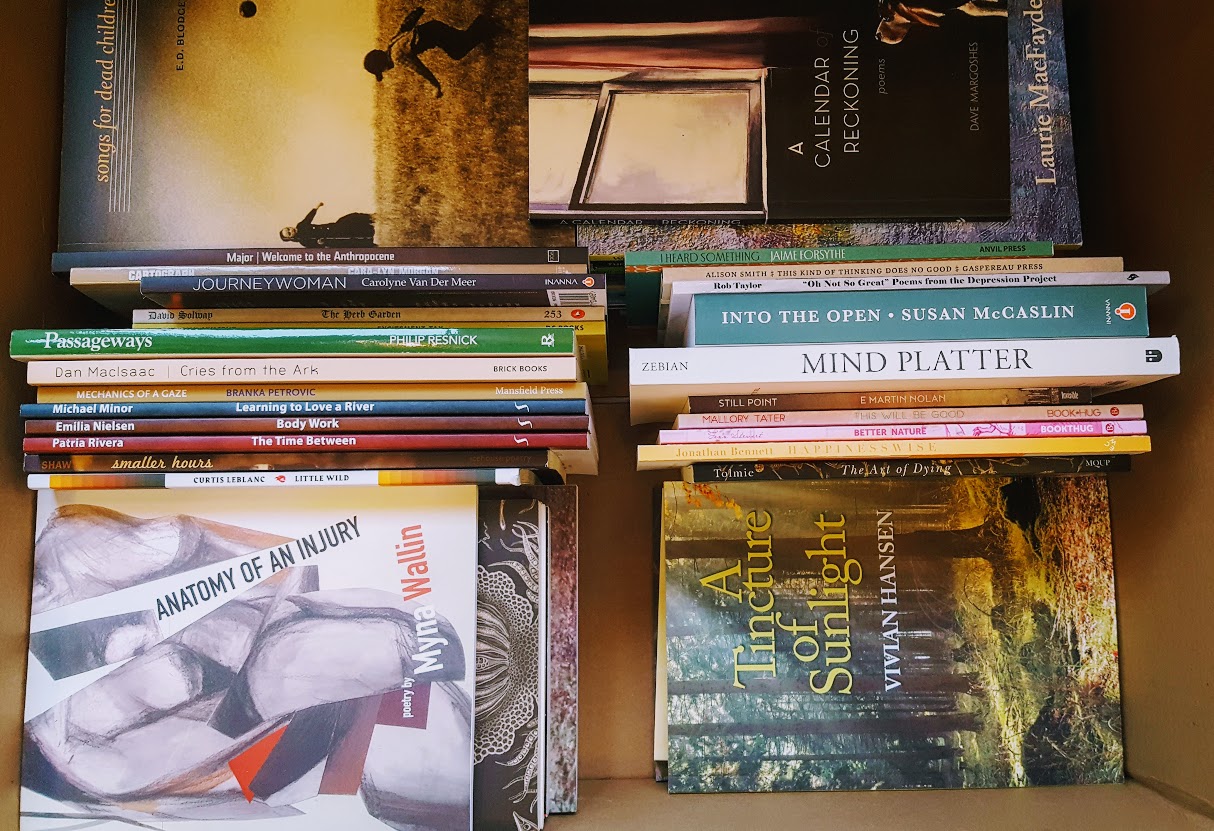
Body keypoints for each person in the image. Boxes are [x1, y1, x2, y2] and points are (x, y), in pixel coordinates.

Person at [362, 6, 497, 98]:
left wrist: (436, 86)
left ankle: (487, 24)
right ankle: (486, 30)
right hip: (432, 28)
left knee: (458, 51)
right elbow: (404, 26)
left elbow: (420, 69)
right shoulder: (391, 44)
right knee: (459, 43)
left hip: (435, 33)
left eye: (383, 70)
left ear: (382, 65)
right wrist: (417, 13)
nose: (386, 71)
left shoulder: (397, 56)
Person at [279, 202, 376, 248]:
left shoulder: (301, 225)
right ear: (291, 238)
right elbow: (317, 247)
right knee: (354, 239)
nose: (290, 230)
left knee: (351, 218)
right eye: (289, 233)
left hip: (333, 227)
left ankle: (374, 218)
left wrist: (317, 207)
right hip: (333, 239)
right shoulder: (303, 242)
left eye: (288, 229)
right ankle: (375, 239)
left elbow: (308, 217)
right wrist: (321, 243)